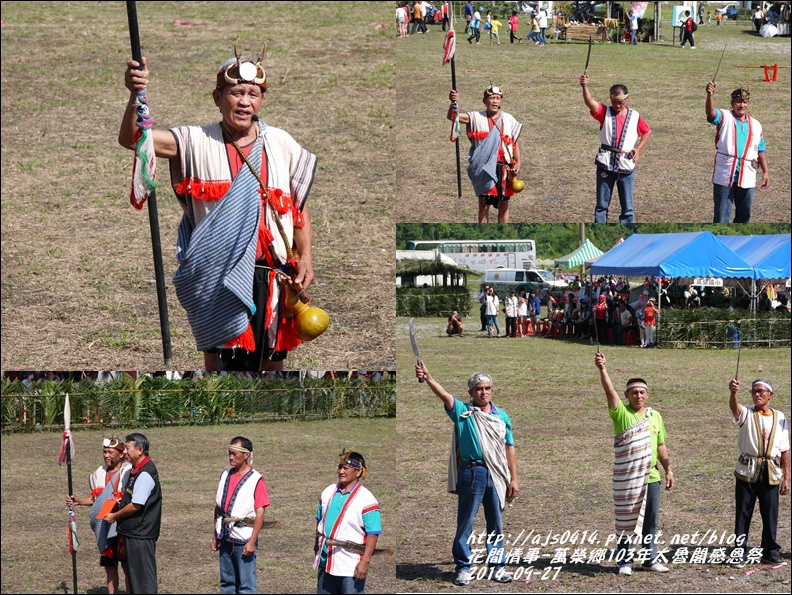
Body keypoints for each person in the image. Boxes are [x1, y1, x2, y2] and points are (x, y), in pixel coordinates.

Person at [120, 45, 317, 373]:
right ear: (217, 97)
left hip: (274, 279)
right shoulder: (195, 141)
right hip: (217, 279)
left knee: (272, 372)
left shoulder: (282, 144)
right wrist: (134, 94)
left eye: (253, 94)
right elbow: (132, 139)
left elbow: (298, 207)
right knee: (223, 373)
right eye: (236, 92)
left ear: (261, 101)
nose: (244, 101)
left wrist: (306, 256)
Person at [415, 364, 518, 587]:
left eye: (487, 388)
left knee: (496, 523)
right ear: (471, 392)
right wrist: (429, 377)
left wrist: (514, 478)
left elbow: (509, 447)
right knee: (466, 522)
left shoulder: (502, 417)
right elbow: (444, 395)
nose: (484, 392)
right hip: (472, 473)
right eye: (479, 388)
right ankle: (464, 566)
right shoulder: (462, 413)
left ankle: (497, 566)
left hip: (498, 474)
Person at [595, 352, 674, 576]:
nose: (638, 396)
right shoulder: (621, 413)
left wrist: (668, 469)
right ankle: (625, 561)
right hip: (627, 477)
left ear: (647, 394)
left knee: (650, 521)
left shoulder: (654, 416)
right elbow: (608, 392)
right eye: (634, 392)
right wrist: (602, 368)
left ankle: (650, 558)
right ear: (626, 395)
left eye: (642, 392)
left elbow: (661, 445)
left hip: (652, 477)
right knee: (626, 520)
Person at [728, 378, 790, 565]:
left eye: (761, 391)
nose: (757, 394)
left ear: (770, 394)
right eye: (754, 391)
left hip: (771, 470)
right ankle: (739, 551)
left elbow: (785, 448)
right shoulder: (746, 413)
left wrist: (787, 476)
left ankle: (770, 550)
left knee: (770, 512)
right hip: (748, 469)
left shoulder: (779, 417)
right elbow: (734, 407)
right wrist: (733, 392)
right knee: (743, 512)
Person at [579, 75, 652, 223]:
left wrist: (638, 149)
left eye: (620, 102)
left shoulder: (635, 116)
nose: (617, 105)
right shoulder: (604, 112)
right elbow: (589, 102)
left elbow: (647, 132)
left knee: (628, 207)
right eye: (614, 101)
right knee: (601, 205)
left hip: (626, 164)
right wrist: (584, 86)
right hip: (606, 163)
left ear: (626, 99)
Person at [447, 85, 522, 223]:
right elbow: (453, 116)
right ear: (484, 101)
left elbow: (514, 142)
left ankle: (503, 237)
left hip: (505, 168)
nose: (495, 101)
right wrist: (453, 102)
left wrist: (518, 162)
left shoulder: (509, 119)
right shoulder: (476, 117)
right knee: (483, 206)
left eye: (498, 98)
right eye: (492, 98)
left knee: (504, 206)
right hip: (484, 169)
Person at [66, 437, 132, 594]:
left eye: (111, 452)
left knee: (126, 567)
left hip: (123, 526)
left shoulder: (129, 471)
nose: (107, 455)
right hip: (104, 526)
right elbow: (97, 500)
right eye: (105, 452)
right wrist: (79, 501)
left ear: (121, 453)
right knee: (110, 566)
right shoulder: (99, 472)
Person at [314, 450, 382, 594]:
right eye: (340, 467)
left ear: (358, 472)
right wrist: (316, 546)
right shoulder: (327, 492)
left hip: (350, 564)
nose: (341, 471)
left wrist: (364, 562)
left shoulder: (367, 500)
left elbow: (373, 534)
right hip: (326, 561)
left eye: (346, 468)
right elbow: (319, 521)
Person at [105, 433, 162, 594]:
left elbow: (136, 505)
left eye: (127, 448)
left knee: (143, 580)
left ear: (140, 450)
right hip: (134, 532)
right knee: (135, 577)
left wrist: (115, 516)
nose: (124, 453)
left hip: (141, 534)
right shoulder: (136, 470)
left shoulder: (145, 473)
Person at [212, 437, 270, 594]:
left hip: (243, 538)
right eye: (229, 453)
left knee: (246, 585)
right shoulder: (225, 475)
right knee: (227, 583)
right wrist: (215, 536)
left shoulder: (256, 480)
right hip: (225, 536)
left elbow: (260, 513)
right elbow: (218, 509)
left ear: (246, 455)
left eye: (234, 454)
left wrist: (252, 541)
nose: (231, 457)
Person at [705, 83, 769, 223]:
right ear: (732, 103)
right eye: (739, 102)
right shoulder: (724, 116)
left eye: (745, 102)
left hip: (748, 172)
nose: (742, 105)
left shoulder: (756, 124)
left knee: (745, 215)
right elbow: (711, 114)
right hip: (726, 171)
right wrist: (710, 95)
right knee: (722, 215)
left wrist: (765, 172)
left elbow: (761, 150)